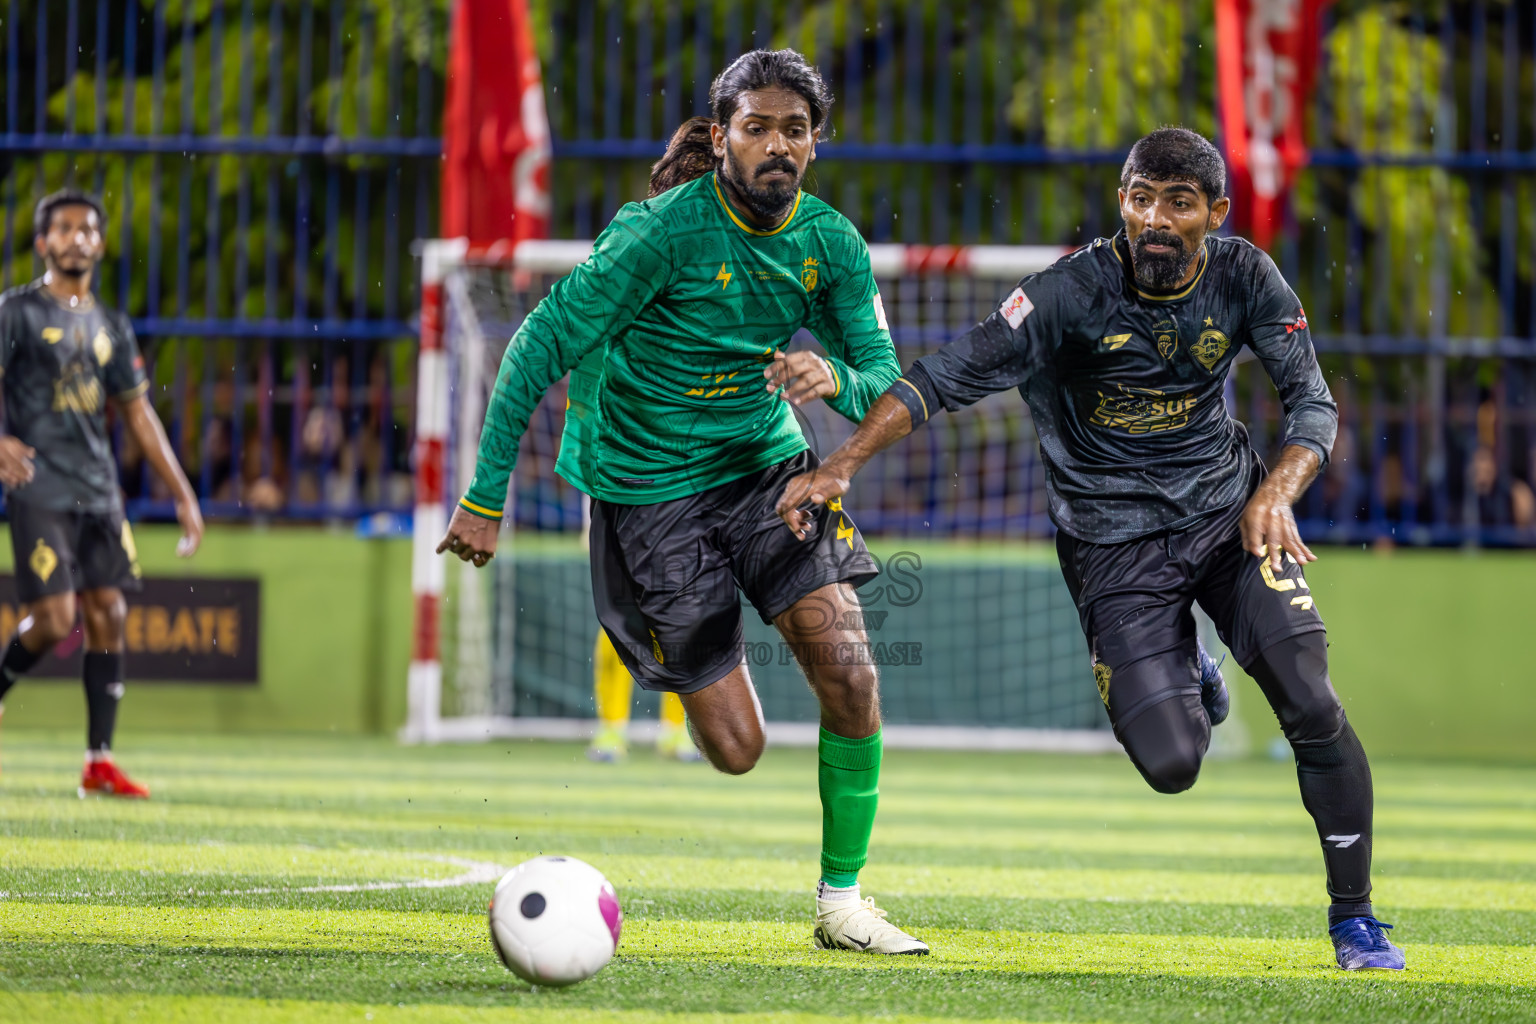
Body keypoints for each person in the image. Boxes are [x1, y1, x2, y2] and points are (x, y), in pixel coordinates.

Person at [776, 128, 1405, 971]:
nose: (1155, 217)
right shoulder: (1065, 296)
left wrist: (1275, 491)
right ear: (1122, 201)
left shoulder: (1246, 275)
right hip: (1113, 551)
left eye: (1179, 203)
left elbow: (1313, 407)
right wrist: (844, 461)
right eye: (1141, 197)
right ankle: (1195, 674)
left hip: (1229, 522)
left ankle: (1356, 920)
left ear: (1214, 214)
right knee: (1173, 764)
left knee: (1310, 699)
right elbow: (940, 377)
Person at [439, 50, 929, 955]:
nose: (776, 145)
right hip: (647, 492)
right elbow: (536, 345)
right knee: (736, 748)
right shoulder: (656, 235)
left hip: (764, 468)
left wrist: (837, 380)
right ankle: (679, 662)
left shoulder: (832, 245)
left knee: (853, 671)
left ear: (815, 143)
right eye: (756, 128)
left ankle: (843, 901)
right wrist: (484, 495)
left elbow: (888, 385)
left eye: (794, 129)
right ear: (721, 137)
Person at [0, 188, 204, 798]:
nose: (76, 237)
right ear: (43, 243)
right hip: (40, 486)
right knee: (57, 617)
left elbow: (140, 416)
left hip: (99, 491)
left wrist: (182, 493)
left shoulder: (112, 325)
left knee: (109, 611)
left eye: (86, 229)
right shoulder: (15, 312)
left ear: (101, 244)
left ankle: (98, 761)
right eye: (62, 228)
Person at [580, 120, 719, 765]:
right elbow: (588, 348)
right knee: (624, 607)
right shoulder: (636, 251)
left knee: (688, 604)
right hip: (629, 462)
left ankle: (672, 727)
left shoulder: (735, 266)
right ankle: (612, 726)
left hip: (698, 467)